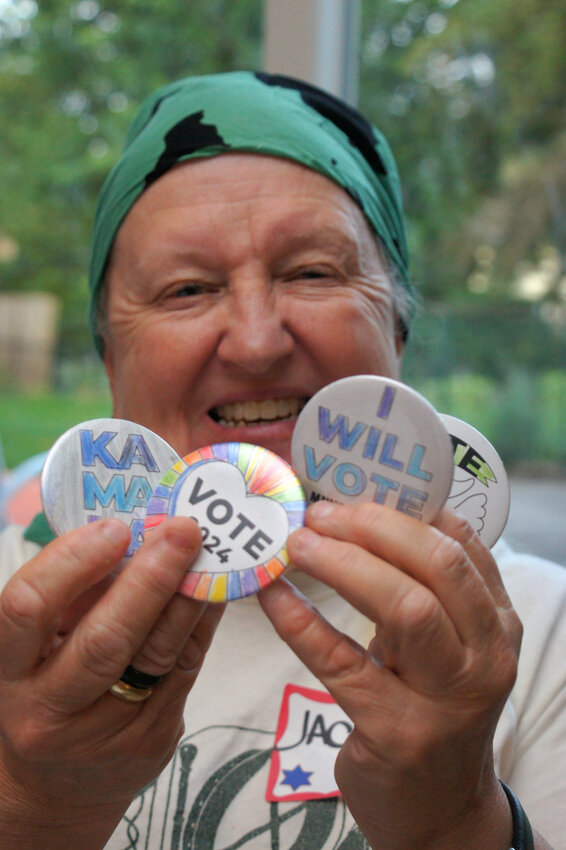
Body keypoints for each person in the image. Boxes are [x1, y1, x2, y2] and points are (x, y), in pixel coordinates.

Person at [0, 71, 565, 850]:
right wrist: (35, 810)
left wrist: (453, 822)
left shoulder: (540, 635)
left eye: (313, 273)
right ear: (111, 362)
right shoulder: (17, 620)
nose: (259, 340)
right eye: (186, 289)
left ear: (396, 331)